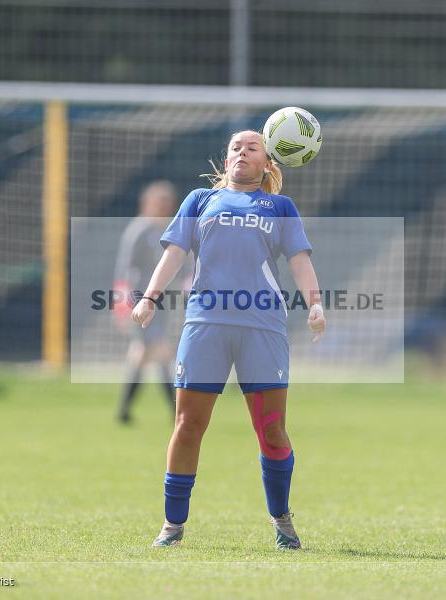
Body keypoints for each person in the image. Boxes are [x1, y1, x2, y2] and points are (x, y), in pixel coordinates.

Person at [132, 130, 326, 549]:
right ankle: (172, 526)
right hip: (205, 326)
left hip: (263, 329)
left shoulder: (279, 206)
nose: (241, 152)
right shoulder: (200, 200)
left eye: (252, 148)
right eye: (235, 147)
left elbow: (299, 260)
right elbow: (173, 253)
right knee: (187, 425)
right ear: (225, 160)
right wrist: (149, 297)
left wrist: (315, 304)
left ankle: (282, 519)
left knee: (271, 429)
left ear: (267, 163)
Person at [113, 180, 180, 424]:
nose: (163, 207)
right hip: (140, 301)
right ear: (147, 203)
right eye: (158, 202)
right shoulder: (139, 230)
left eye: (167, 203)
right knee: (159, 351)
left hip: (160, 303)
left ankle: (124, 411)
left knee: (142, 354)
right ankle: (176, 412)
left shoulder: (169, 229)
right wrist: (123, 304)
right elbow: (125, 270)